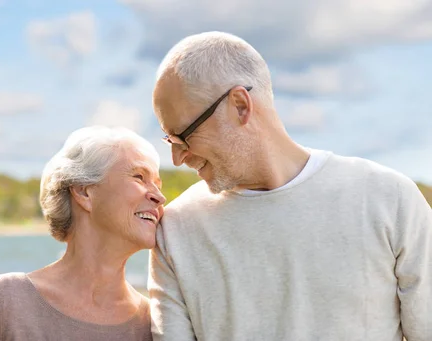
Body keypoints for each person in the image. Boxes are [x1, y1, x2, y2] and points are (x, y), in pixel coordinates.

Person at [148, 31, 432, 341]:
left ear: (241, 106)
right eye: (169, 140)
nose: (176, 158)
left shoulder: (390, 200)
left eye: (183, 136)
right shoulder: (175, 230)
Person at [0, 126, 166, 341]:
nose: (160, 197)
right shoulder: (5, 302)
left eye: (159, 185)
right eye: (139, 177)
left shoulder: (155, 325)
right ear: (84, 191)